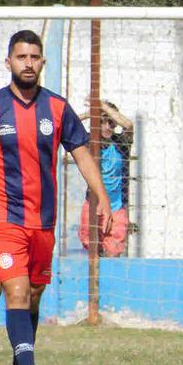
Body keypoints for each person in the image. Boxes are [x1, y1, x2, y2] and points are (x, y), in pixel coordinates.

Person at [0, 30, 113, 365]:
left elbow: (81, 153)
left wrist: (102, 196)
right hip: (5, 219)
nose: (28, 63)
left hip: (43, 223)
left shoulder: (58, 109)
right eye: (21, 57)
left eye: (34, 57)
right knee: (14, 291)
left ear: (42, 62)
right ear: (8, 62)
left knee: (32, 296)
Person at [79, 99, 133, 257]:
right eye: (102, 121)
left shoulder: (121, 143)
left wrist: (103, 107)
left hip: (116, 206)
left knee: (114, 250)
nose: (107, 127)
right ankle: (94, 281)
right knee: (92, 249)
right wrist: (90, 114)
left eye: (111, 122)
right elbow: (66, 124)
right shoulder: (89, 141)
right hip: (93, 204)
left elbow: (128, 125)